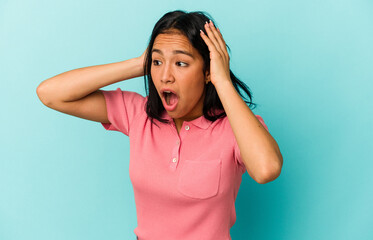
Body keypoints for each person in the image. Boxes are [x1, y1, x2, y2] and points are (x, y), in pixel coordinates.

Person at [36, 10, 283, 240]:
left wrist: (222, 80)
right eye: (157, 62)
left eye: (181, 63)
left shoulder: (234, 127)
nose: (165, 76)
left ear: (207, 71)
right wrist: (139, 64)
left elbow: (266, 169)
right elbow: (50, 94)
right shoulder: (138, 115)